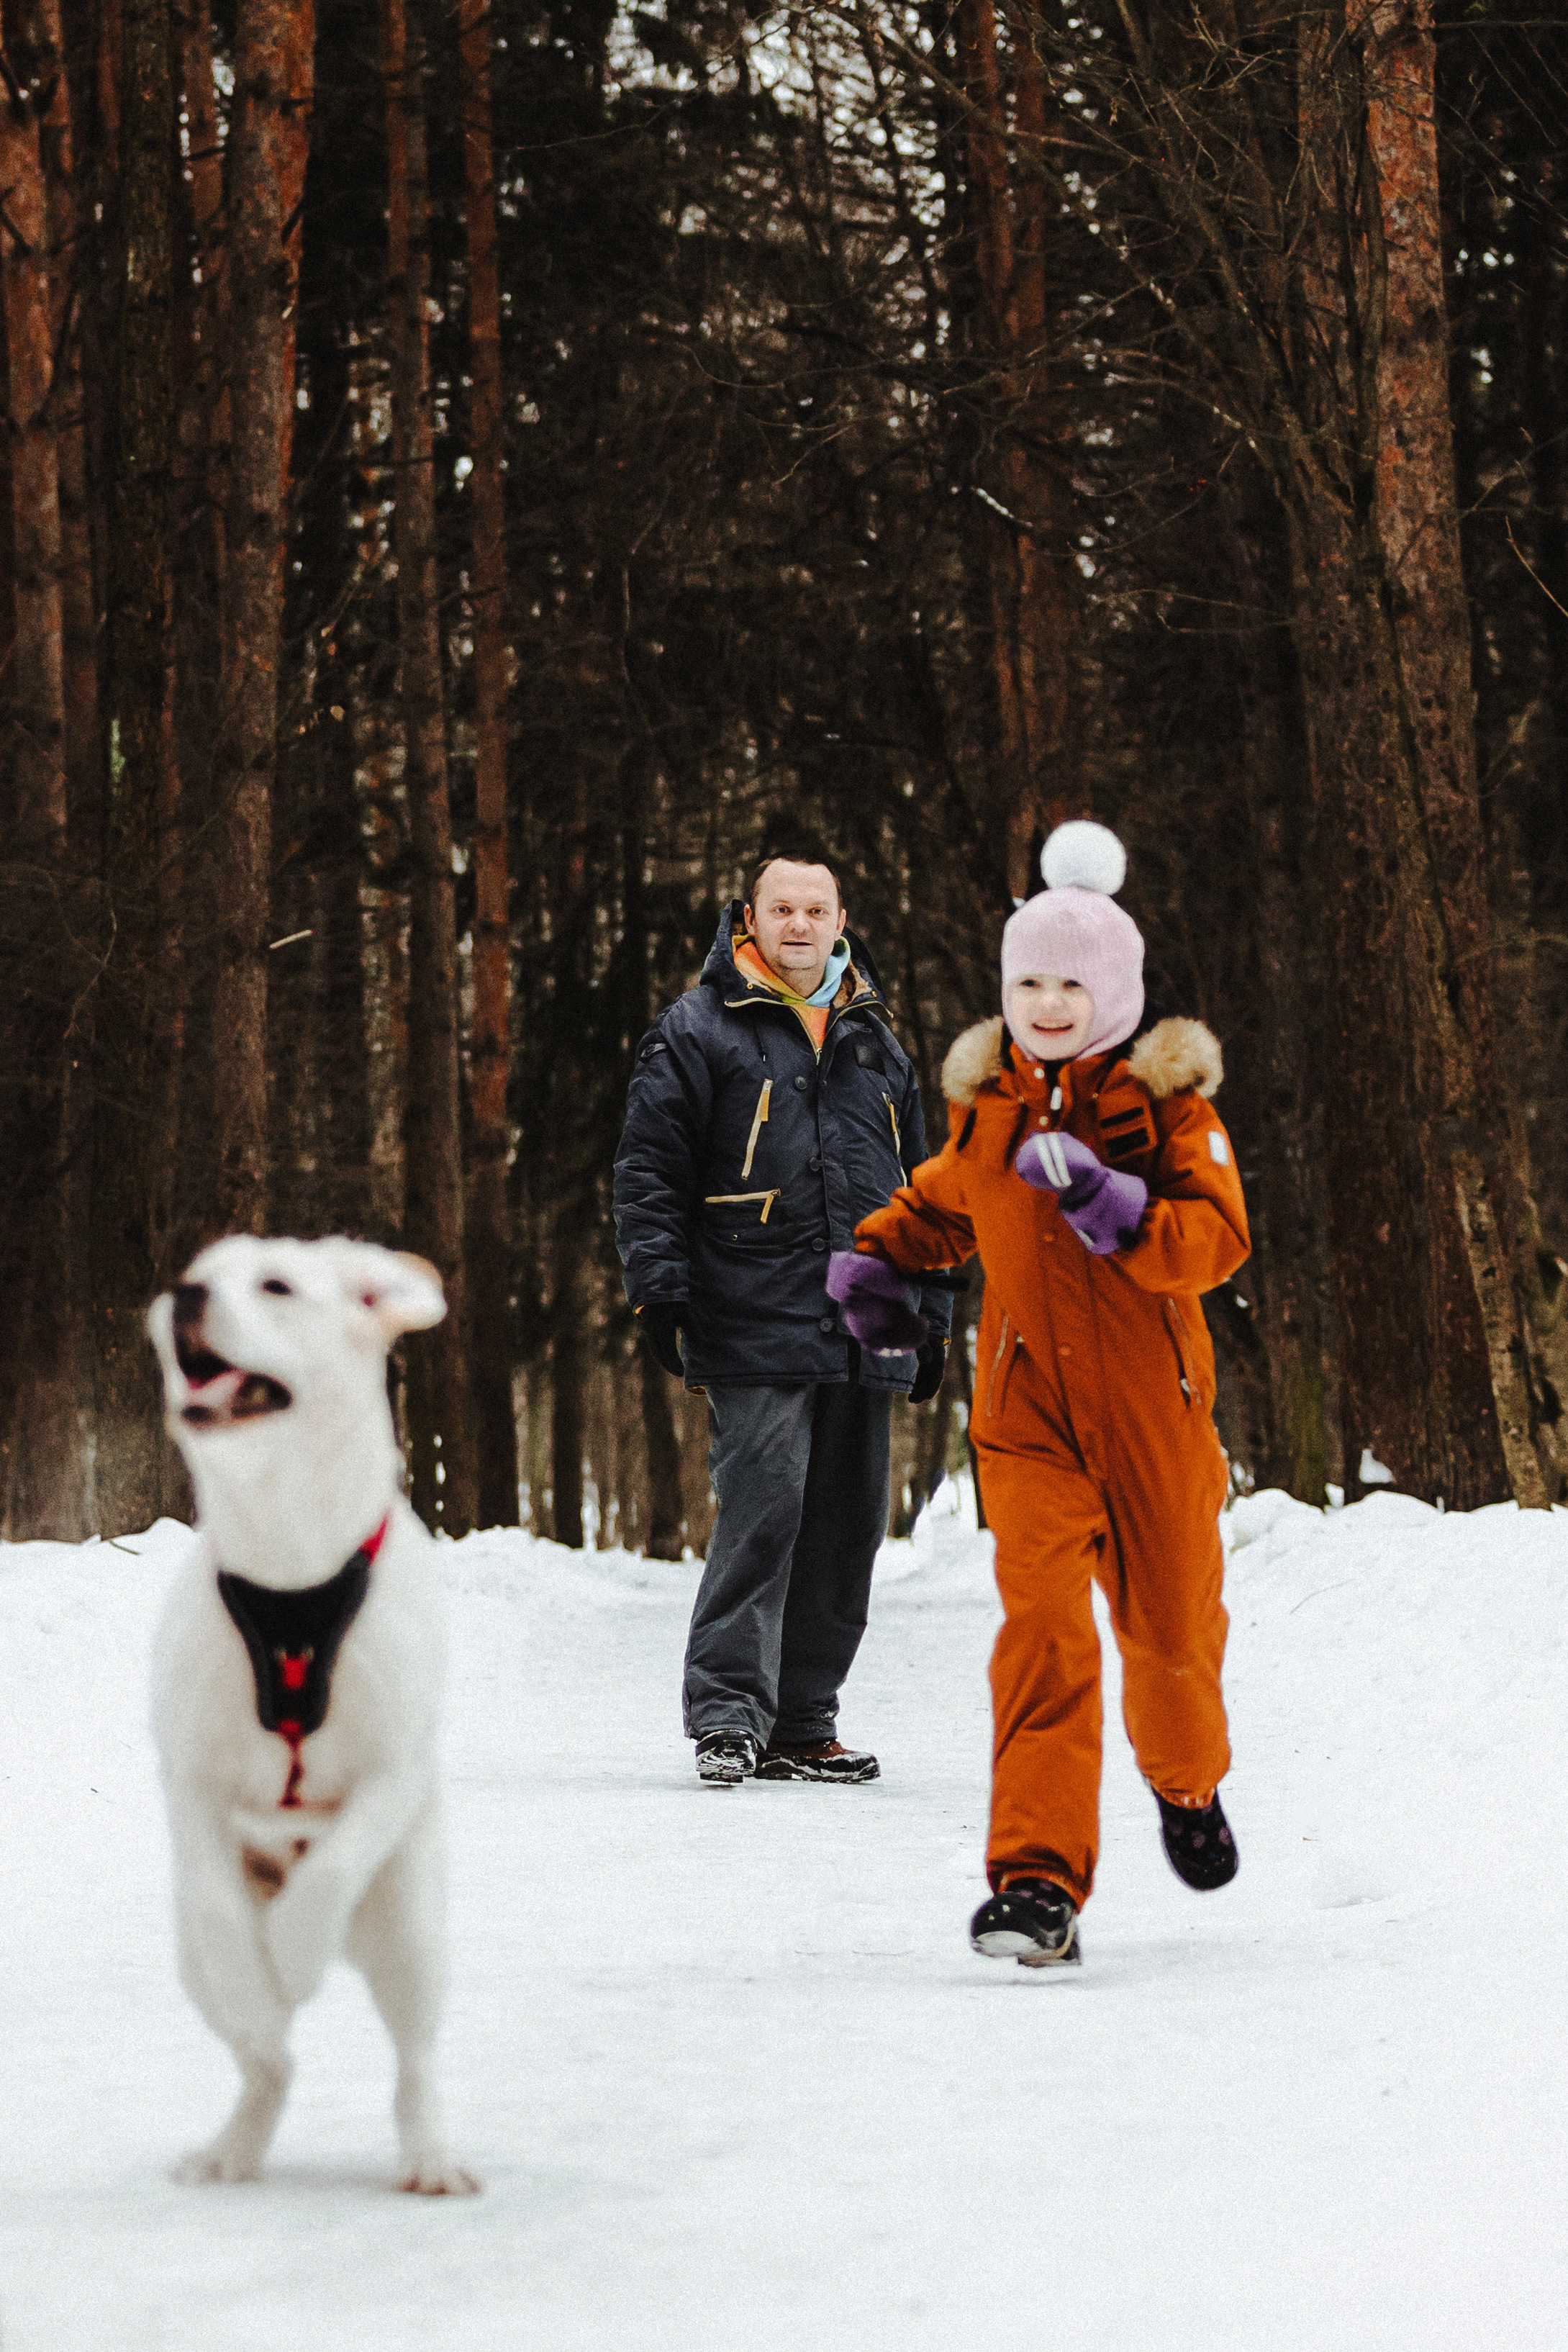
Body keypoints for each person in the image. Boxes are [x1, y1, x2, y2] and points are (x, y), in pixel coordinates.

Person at [830, 821, 1249, 1966]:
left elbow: (1217, 1238)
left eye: (1073, 983)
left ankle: (1187, 1784)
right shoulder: (992, 1110)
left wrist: (1119, 1208)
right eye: (1029, 983)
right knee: (1044, 1640)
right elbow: (940, 1201)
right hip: (1029, 1426)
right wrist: (877, 1260)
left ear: (1115, 989)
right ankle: (1036, 1882)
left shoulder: (1169, 1107)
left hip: (1155, 1419)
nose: (1049, 1004)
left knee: (1171, 1649)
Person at [613, 852, 951, 1787]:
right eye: (781, 908)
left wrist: (933, 1314)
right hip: (749, 1310)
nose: (798, 924)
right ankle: (729, 1716)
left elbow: (930, 1191)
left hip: (870, 1316)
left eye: (815, 909)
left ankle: (803, 1722)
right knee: (764, 1511)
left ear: (841, 920)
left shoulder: (878, 1042)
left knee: (847, 1528)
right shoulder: (696, 1028)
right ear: (750, 919)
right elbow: (649, 1167)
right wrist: (660, 1287)